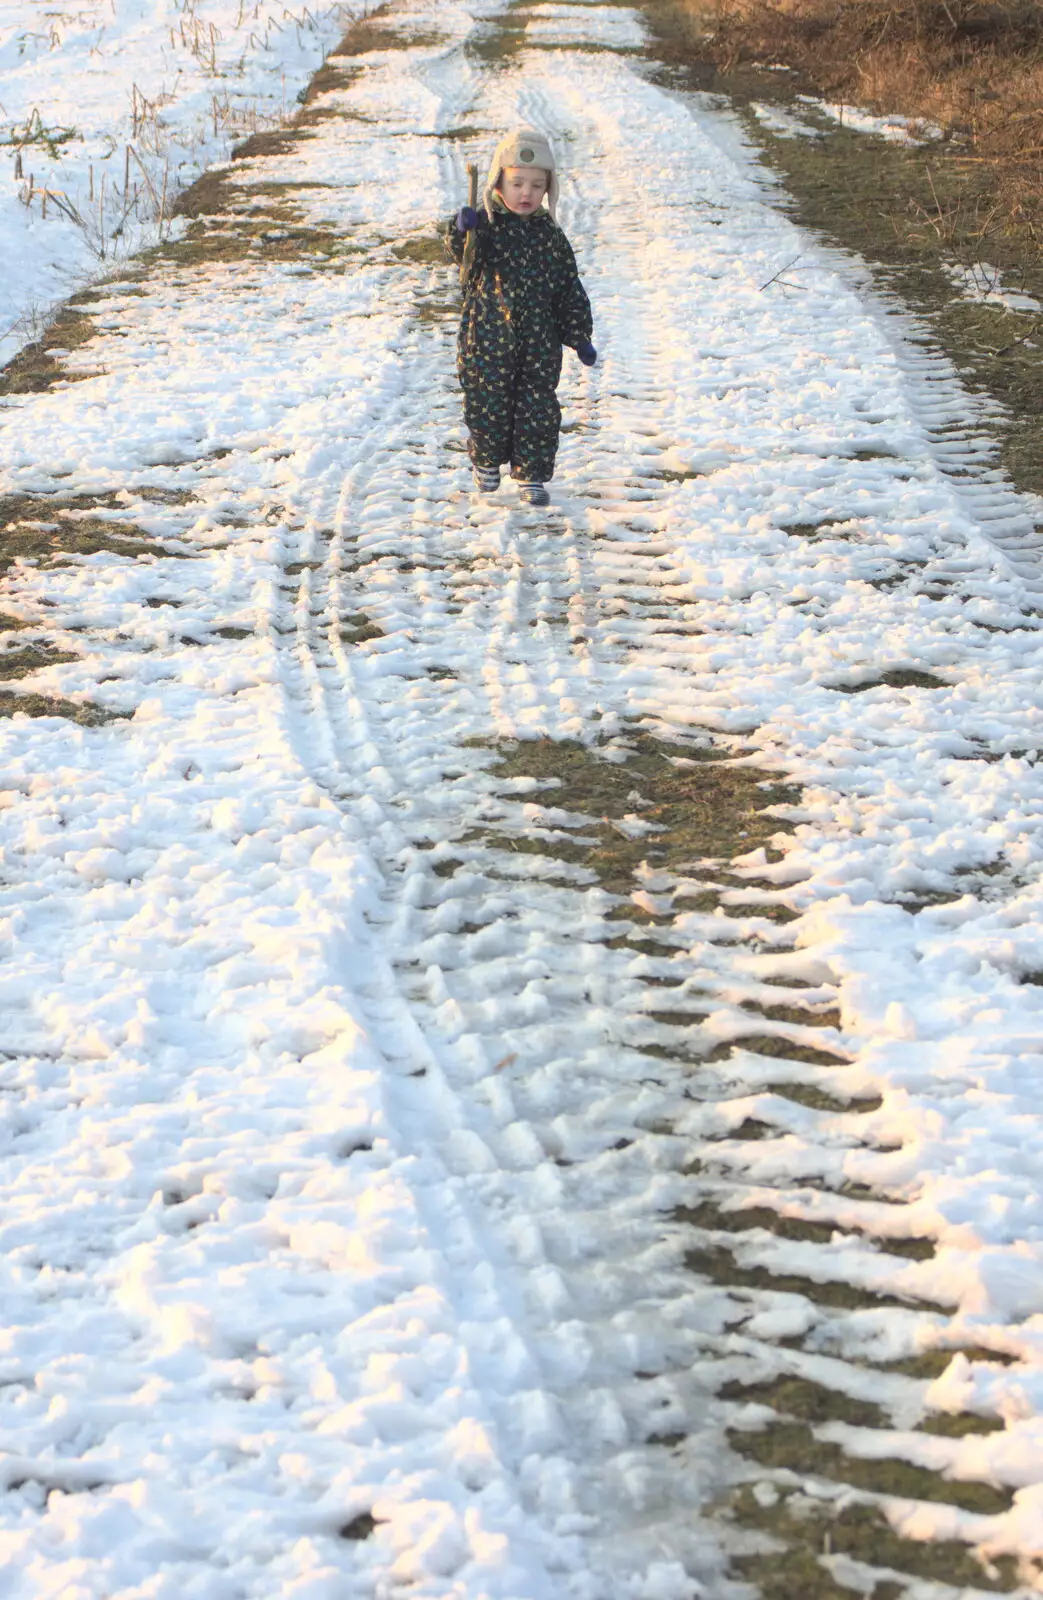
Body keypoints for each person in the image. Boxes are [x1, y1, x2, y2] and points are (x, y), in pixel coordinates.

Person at [442, 127, 596, 508]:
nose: (526, 193)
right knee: (487, 403)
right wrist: (462, 229)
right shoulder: (486, 226)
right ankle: (486, 459)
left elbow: (567, 287)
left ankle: (531, 475)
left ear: (548, 190)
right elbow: (464, 256)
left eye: (536, 185)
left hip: (540, 342)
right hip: (487, 338)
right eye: (517, 183)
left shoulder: (550, 236)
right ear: (498, 183)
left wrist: (579, 335)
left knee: (537, 409)